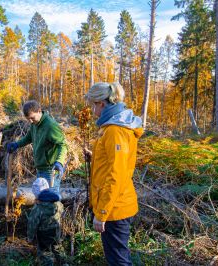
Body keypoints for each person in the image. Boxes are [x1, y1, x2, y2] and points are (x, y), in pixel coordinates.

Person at [84, 82, 143, 266]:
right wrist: (95, 158)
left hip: (115, 208)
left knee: (119, 261)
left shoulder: (115, 130)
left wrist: (102, 213)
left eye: (93, 105)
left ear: (102, 104)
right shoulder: (112, 127)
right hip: (114, 204)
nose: (92, 109)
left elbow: (116, 175)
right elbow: (114, 162)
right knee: (117, 258)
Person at [7, 100, 67, 193]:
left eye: (32, 118)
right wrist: (17, 144)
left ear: (39, 111)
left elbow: (62, 145)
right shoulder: (34, 124)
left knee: (51, 200)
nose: (30, 121)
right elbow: (28, 137)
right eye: (28, 119)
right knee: (41, 198)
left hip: (51, 170)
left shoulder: (50, 126)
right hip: (40, 169)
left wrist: (59, 162)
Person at [27, 177, 64, 266]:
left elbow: (32, 224)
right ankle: (64, 263)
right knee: (57, 246)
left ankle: (48, 264)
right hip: (56, 229)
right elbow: (61, 211)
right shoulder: (58, 203)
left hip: (44, 233)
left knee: (45, 252)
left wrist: (30, 237)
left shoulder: (38, 208)